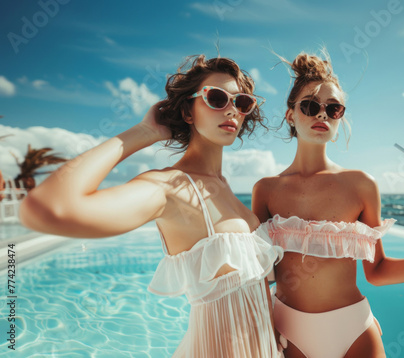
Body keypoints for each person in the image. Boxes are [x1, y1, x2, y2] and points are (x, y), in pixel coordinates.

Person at [20, 55, 283, 358]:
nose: (231, 110)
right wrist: (144, 133)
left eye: (241, 102)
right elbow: (46, 208)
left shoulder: (227, 191)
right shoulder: (170, 188)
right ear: (188, 111)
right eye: (217, 98)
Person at [252, 52, 404, 358]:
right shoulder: (265, 190)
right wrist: (261, 327)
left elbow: (377, 271)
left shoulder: (361, 185)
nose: (322, 115)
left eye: (334, 108)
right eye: (311, 106)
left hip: (354, 329)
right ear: (291, 115)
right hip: (289, 331)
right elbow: (257, 275)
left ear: (341, 117)